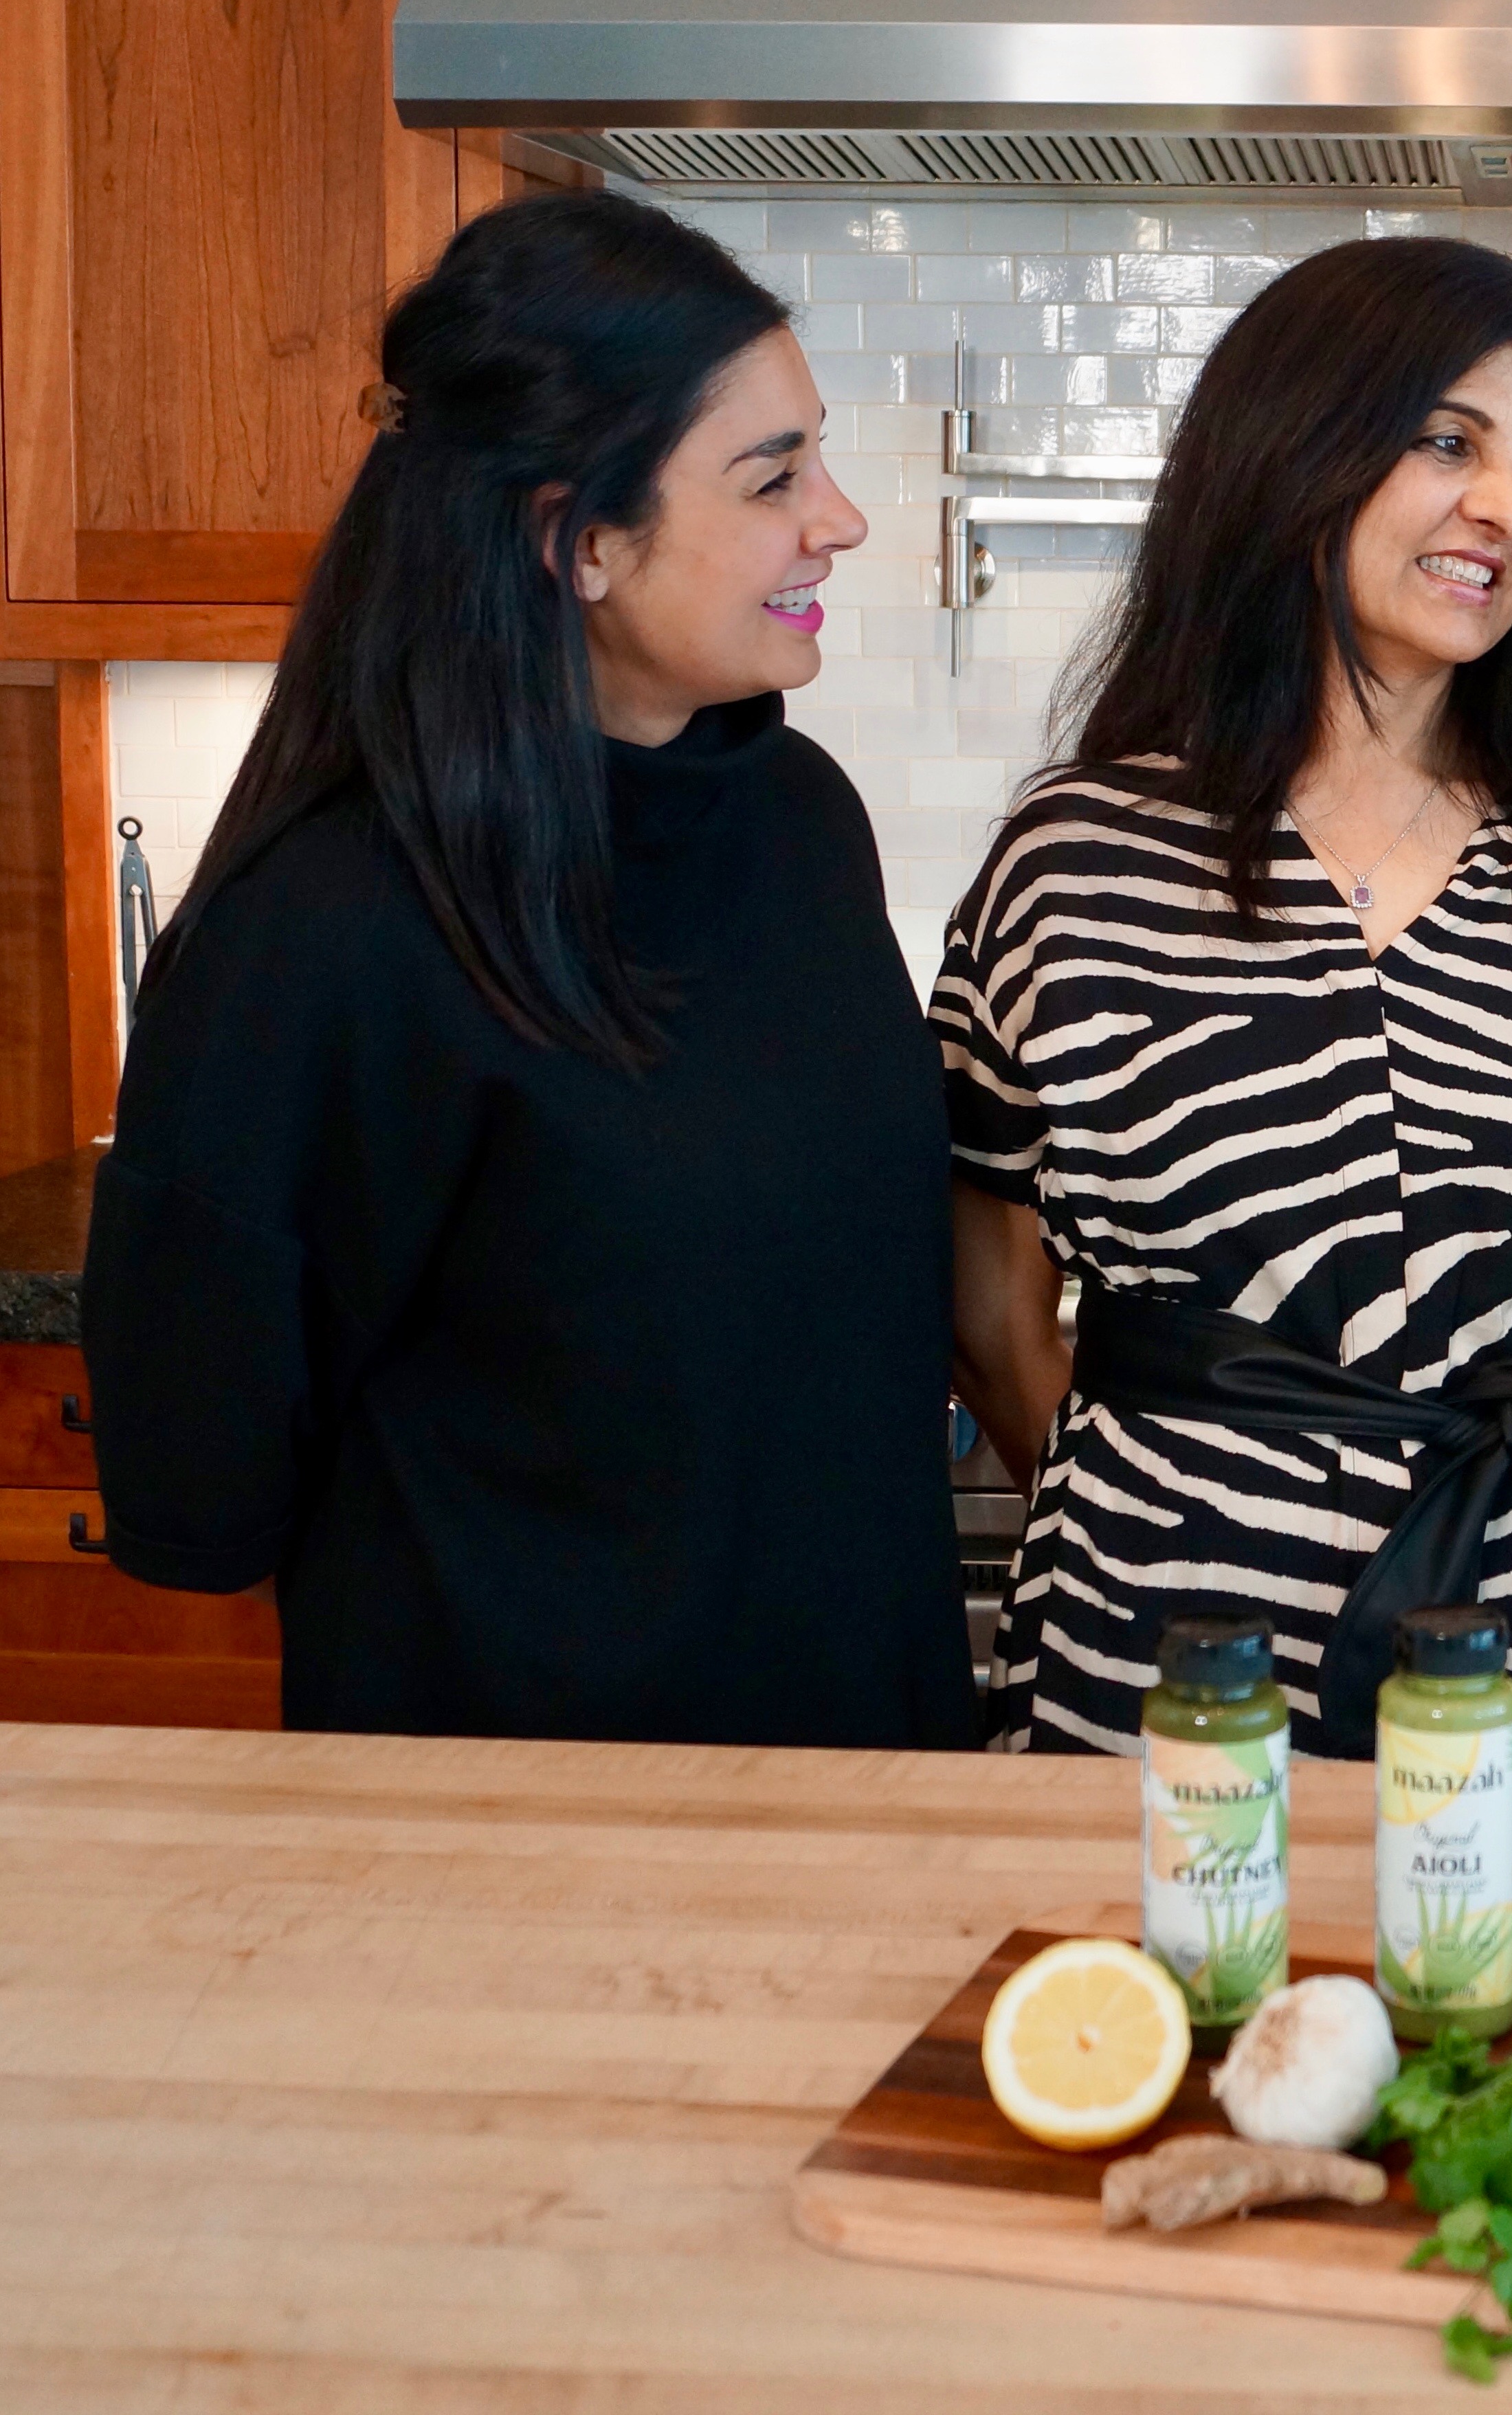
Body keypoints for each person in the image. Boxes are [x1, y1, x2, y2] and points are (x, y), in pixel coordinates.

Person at [84, 190, 977, 1747]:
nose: (836, 518)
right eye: (774, 477)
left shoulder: (796, 819)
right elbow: (200, 1479)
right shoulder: (326, 926)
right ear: (581, 541)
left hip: (862, 1784)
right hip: (521, 1827)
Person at [937, 236, 1512, 1761]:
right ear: (1292, 448)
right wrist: (1185, 1501)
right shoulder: (1076, 857)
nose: (1508, 508)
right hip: (1161, 1643)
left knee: (1505, 1928)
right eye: (1448, 441)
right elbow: (990, 1306)